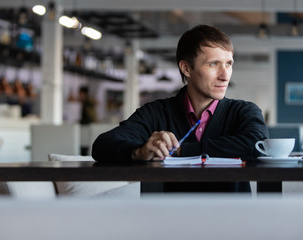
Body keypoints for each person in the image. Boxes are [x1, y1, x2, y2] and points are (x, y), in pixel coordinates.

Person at [92, 25, 268, 192]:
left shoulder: (243, 111)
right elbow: (102, 145)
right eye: (213, 64)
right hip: (169, 217)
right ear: (186, 68)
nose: (225, 75)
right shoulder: (156, 112)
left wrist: (181, 151)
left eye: (229, 64)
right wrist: (139, 152)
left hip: (232, 218)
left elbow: (258, 144)